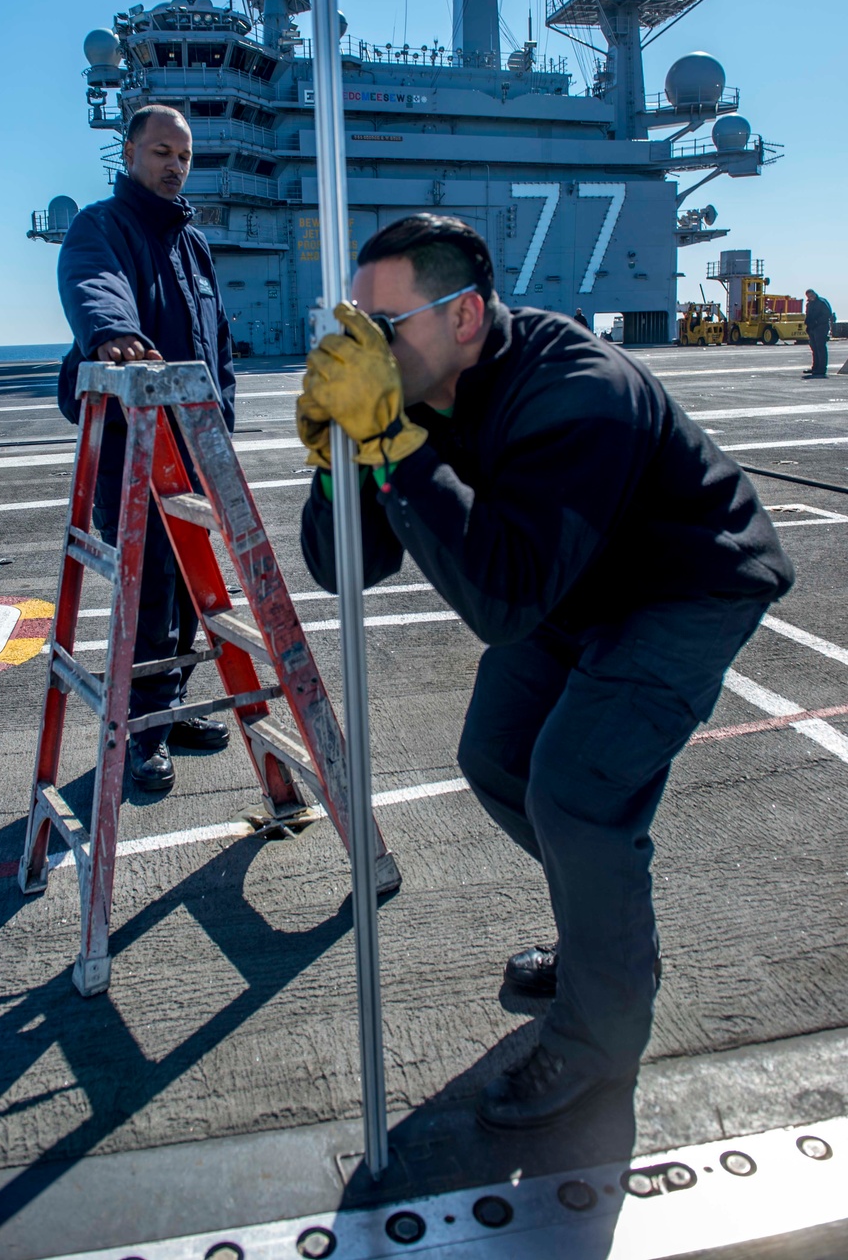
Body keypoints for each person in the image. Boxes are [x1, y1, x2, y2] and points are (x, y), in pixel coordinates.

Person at [297, 213, 794, 1129]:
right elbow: (346, 568)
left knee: (574, 793)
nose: (364, 350)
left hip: (683, 585)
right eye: (353, 330)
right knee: (497, 758)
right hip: (573, 582)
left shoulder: (580, 391)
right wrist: (338, 460)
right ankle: (608, 939)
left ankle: (600, 1037)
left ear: (467, 317)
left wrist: (392, 447)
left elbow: (501, 604)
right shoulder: (416, 388)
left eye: (385, 328)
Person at [57, 104, 235, 793]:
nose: (173, 166)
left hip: (192, 450)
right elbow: (95, 284)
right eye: (161, 152)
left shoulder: (192, 245)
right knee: (150, 595)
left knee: (190, 597)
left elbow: (216, 344)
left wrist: (223, 427)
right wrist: (111, 334)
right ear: (130, 153)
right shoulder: (102, 226)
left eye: (184, 157)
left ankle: (170, 708)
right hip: (135, 455)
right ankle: (142, 736)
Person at [803, 288, 834, 378]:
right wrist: (808, 325)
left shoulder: (822, 302)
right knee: (814, 348)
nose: (811, 297)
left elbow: (827, 314)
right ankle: (815, 368)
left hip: (821, 327)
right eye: (809, 296)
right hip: (812, 328)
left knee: (820, 348)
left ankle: (821, 369)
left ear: (815, 294)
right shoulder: (809, 304)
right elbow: (808, 316)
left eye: (812, 295)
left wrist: (816, 322)